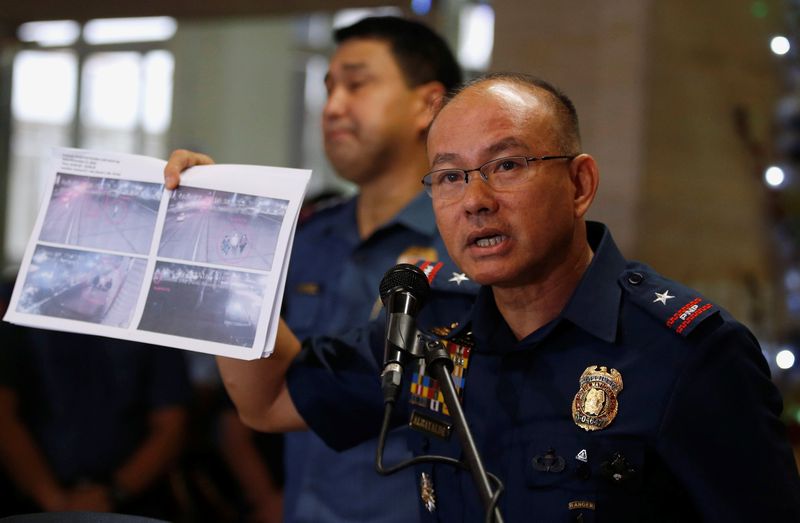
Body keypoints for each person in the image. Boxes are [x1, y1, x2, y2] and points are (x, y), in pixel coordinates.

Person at [170, 73, 800, 521]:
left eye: (507, 166)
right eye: (448, 177)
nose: (475, 200)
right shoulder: (429, 319)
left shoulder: (688, 353)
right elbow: (270, 397)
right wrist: (227, 236)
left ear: (580, 183)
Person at [164, 16, 465, 523]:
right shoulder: (305, 235)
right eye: (328, 89)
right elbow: (264, 386)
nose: (332, 107)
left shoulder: (463, 246)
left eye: (357, 84)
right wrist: (217, 218)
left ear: (428, 104)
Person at [0, 282, 191, 519]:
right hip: (31, 501)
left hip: (131, 502)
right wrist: (53, 499)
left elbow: (172, 423)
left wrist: (114, 493)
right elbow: (4, 415)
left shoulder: (152, 304)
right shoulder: (16, 299)